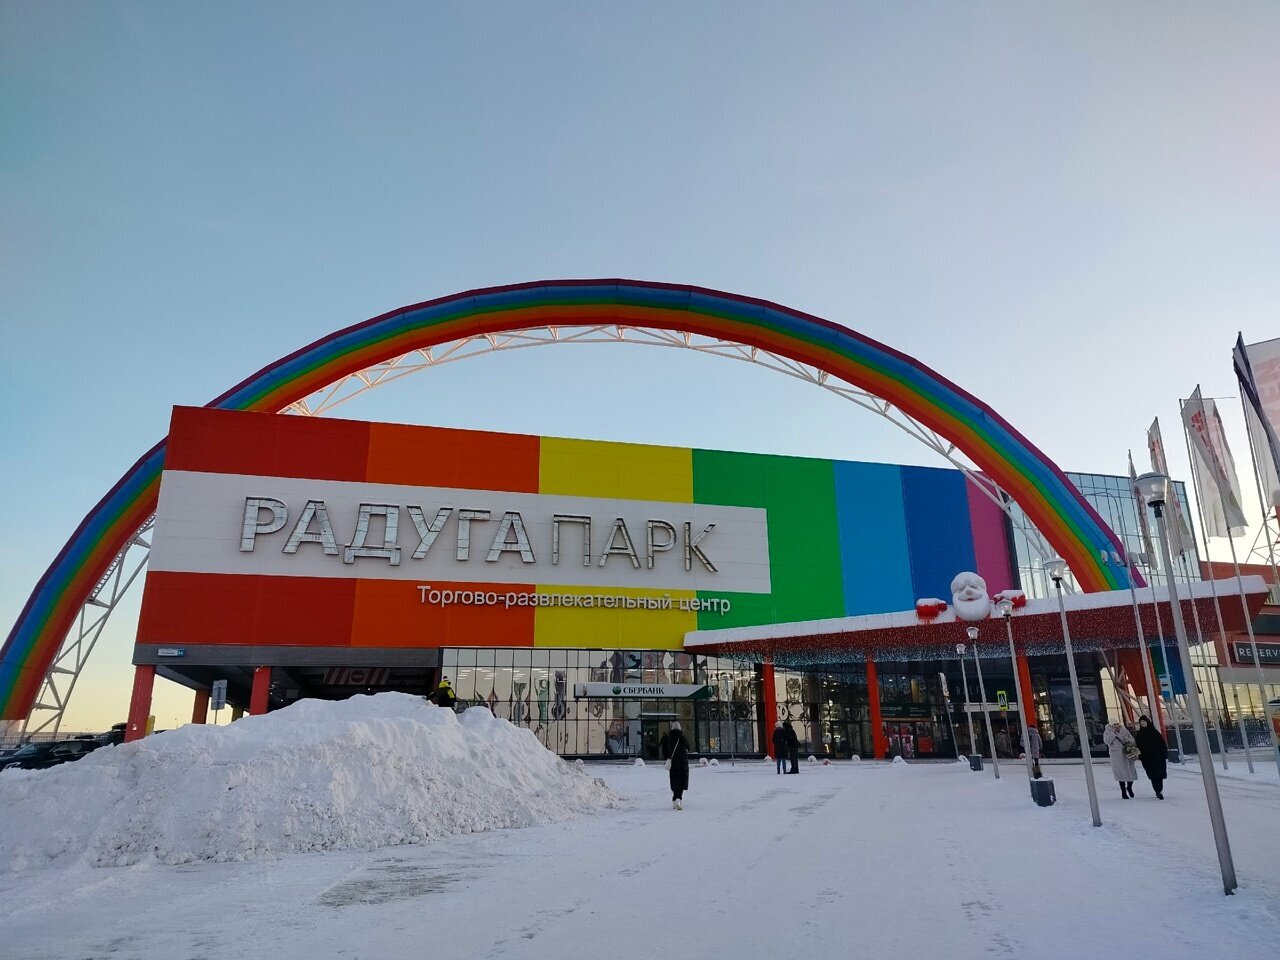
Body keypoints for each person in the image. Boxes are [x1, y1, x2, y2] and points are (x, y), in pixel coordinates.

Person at [1133, 715, 1167, 799]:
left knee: (1159, 775)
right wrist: (1140, 756)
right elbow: (1138, 746)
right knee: (1153, 775)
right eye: (1141, 722)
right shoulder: (1139, 734)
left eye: (1144, 722)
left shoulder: (1154, 732)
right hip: (1147, 759)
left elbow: (1162, 743)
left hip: (1158, 757)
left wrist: (1164, 754)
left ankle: (1159, 790)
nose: (1143, 723)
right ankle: (1157, 790)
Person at [1102, 720, 1138, 799]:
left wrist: (1126, 739)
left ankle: (1129, 787)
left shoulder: (1124, 730)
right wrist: (1113, 733)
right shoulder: (1108, 731)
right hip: (1117, 755)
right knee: (1120, 773)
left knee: (1131, 772)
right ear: (1111, 725)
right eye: (1114, 724)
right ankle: (1123, 792)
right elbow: (1107, 741)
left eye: (1117, 724)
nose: (1116, 725)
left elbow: (1132, 739)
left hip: (1128, 753)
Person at [666, 721, 690, 810]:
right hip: (682, 763)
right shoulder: (682, 738)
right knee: (681, 781)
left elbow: (667, 750)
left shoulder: (669, 738)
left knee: (674, 781)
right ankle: (678, 799)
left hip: (673, 763)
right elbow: (688, 747)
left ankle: (674, 799)